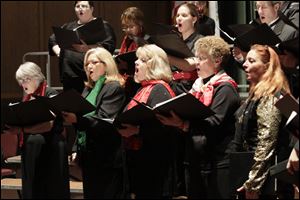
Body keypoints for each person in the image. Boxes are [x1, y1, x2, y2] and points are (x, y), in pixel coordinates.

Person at [157, 36, 240, 199]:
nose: (197, 63)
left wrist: (183, 123)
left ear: (217, 61)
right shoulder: (198, 87)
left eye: (202, 59)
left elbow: (214, 122)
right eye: (197, 58)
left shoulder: (225, 88)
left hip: (217, 161)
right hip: (195, 159)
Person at [62, 47, 126, 199]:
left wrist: (76, 119)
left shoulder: (113, 87)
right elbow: (82, 118)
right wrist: (77, 146)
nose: (89, 67)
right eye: (86, 64)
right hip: (90, 154)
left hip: (107, 155)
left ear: (106, 64)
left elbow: (105, 120)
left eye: (94, 62)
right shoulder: (88, 89)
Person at [230, 44, 292, 199]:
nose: (244, 64)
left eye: (251, 61)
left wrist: (253, 184)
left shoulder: (271, 95)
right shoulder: (259, 92)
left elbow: (266, 141)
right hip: (253, 170)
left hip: (265, 180)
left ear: (267, 66)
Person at [117, 44, 177, 199]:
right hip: (141, 164)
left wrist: (137, 131)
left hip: (155, 167)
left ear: (154, 65)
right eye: (137, 59)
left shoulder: (159, 90)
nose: (136, 62)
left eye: (142, 60)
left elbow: (166, 128)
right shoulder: (143, 88)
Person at [5, 62, 70, 198]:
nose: (22, 85)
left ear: (34, 77)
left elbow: (48, 125)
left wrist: (22, 128)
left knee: (51, 190)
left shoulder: (50, 93)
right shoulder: (28, 97)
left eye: (24, 80)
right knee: (32, 190)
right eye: (20, 81)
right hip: (31, 150)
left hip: (50, 150)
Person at [48, 1, 116, 94]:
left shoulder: (102, 25)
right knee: (71, 104)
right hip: (69, 75)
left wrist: (87, 48)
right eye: (77, 6)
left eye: (84, 6)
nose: (80, 8)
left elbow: (109, 46)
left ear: (91, 9)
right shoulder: (69, 26)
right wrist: (58, 51)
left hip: (89, 74)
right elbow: (53, 39)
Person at [232, 1, 299, 64]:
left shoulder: (290, 32)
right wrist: (243, 58)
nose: (260, 12)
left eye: (264, 7)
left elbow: (287, 65)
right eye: (258, 7)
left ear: (276, 7)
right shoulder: (256, 30)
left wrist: (248, 56)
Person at [169, 2, 204, 96]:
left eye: (184, 15)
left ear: (194, 19)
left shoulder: (201, 41)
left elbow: (189, 66)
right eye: (177, 15)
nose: (179, 18)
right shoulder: (175, 41)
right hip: (172, 86)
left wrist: (165, 56)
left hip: (189, 89)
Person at [117, 6, 147, 103]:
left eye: (131, 27)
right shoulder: (127, 39)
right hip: (127, 78)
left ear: (140, 25)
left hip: (139, 82)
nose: (128, 30)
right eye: (125, 27)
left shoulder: (145, 41)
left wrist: (128, 66)